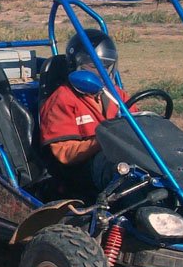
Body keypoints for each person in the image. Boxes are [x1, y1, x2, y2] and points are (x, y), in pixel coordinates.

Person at [39, 29, 128, 190]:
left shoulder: (115, 94)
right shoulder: (62, 99)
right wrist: (104, 140)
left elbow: (139, 120)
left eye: (106, 66)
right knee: (124, 172)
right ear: (76, 65)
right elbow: (64, 153)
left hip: (115, 156)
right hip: (79, 171)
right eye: (94, 66)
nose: (101, 73)